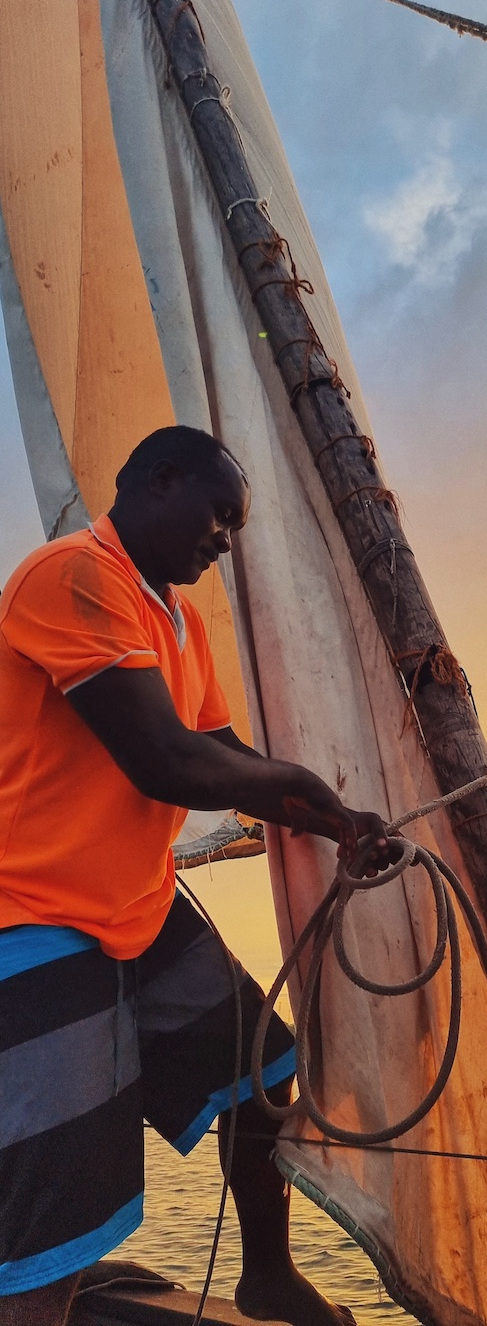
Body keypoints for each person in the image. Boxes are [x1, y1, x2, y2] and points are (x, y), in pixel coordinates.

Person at [0, 427, 388, 1326]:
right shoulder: (71, 576)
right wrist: (302, 786)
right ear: (157, 482)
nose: (227, 536)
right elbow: (165, 762)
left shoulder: (173, 615)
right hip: (34, 918)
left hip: (136, 906)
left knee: (264, 1069)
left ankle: (268, 1275)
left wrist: (333, 819)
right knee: (62, 1204)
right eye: (220, 513)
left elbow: (216, 747)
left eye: (237, 524)